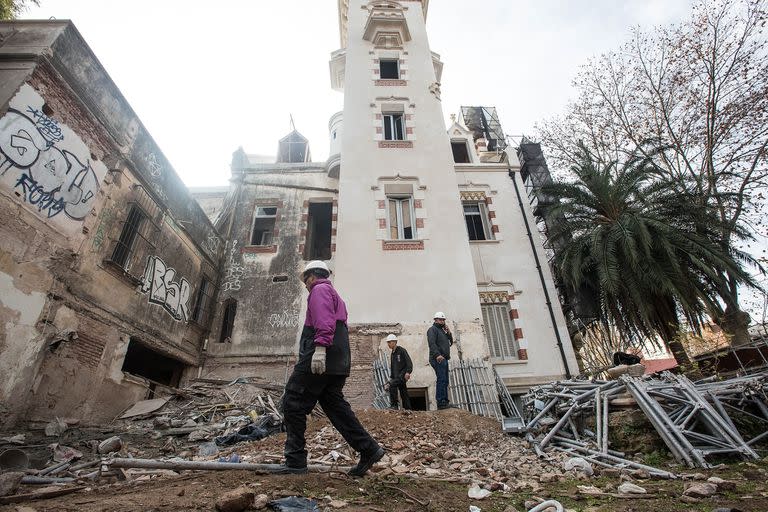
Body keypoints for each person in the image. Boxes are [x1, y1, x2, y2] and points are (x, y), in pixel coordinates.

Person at [278, 260, 384, 476]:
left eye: (305, 280)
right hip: (338, 360)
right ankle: (369, 449)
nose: (306, 285)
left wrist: (319, 349)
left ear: (312, 276)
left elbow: (325, 322)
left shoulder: (319, 290)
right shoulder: (335, 295)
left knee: (292, 401)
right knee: (334, 405)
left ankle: (295, 460)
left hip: (322, 356)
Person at [427, 311, 454, 410]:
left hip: (444, 358)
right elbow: (432, 343)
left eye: (443, 320)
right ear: (436, 320)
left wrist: (449, 333)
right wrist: (437, 355)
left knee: (445, 380)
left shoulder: (443, 331)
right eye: (440, 319)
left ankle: (445, 401)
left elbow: (450, 342)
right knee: (441, 379)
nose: (442, 321)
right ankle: (441, 401)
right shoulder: (432, 330)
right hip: (438, 358)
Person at [383, 334, 413, 410]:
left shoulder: (402, 350)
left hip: (402, 375)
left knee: (392, 385)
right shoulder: (392, 354)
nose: (389, 344)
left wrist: (408, 372)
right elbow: (393, 367)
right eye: (388, 342)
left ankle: (394, 405)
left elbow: (409, 362)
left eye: (390, 342)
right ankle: (408, 408)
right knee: (403, 392)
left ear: (395, 342)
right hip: (396, 376)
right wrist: (391, 377)